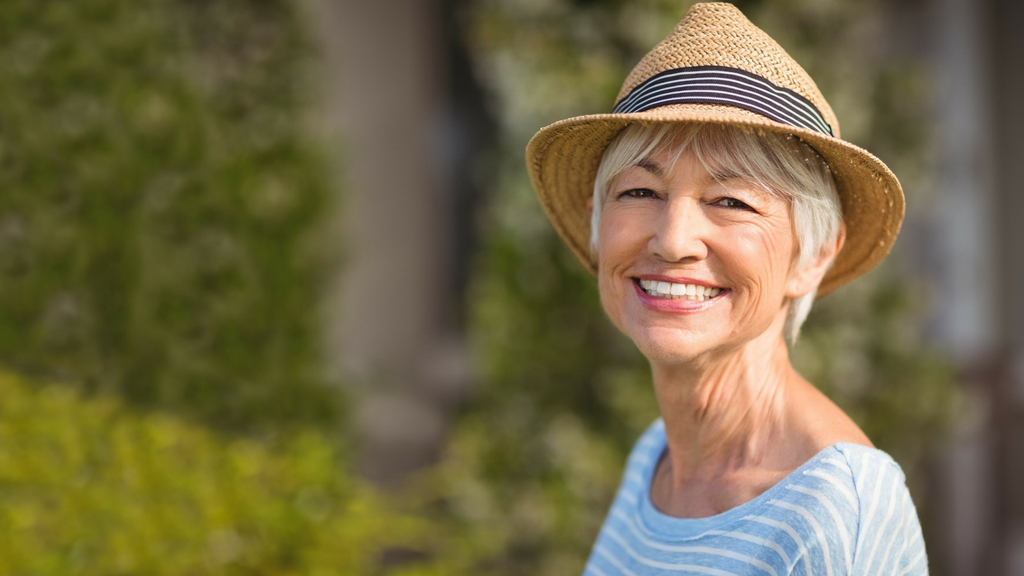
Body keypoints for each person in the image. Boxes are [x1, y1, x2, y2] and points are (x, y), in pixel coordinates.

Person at [524, 3, 927, 576]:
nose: (673, 239)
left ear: (811, 257)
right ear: (597, 223)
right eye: (640, 191)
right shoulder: (656, 458)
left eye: (732, 201)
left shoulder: (838, 507)